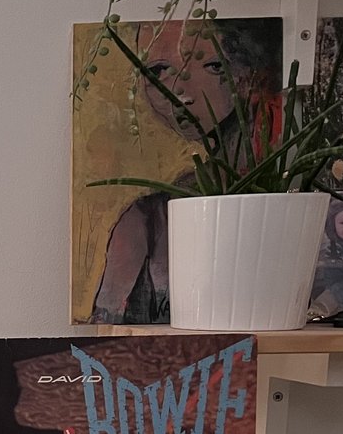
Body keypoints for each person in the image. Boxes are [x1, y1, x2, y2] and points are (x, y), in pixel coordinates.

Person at [90, 20, 282, 324]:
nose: (179, 91)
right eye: (158, 70)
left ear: (250, 75)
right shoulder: (148, 219)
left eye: (214, 67)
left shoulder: (286, 194)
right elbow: (104, 336)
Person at [309, 199, 343, 319]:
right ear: (333, 226)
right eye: (342, 223)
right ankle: (317, 313)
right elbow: (331, 271)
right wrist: (337, 286)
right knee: (333, 295)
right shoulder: (333, 247)